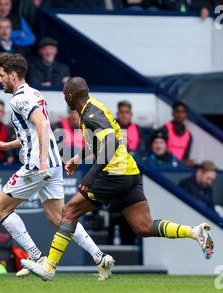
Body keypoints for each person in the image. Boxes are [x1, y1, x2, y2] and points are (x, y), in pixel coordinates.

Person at [21, 77, 214, 281]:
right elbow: (103, 141)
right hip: (129, 171)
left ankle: (49, 267)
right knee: (144, 226)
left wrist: (90, 175)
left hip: (113, 173)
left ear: (70, 96)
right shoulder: (95, 107)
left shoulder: (90, 115)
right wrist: (78, 157)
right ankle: (195, 233)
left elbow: (110, 144)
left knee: (69, 212)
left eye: (64, 95)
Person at [0, 54, 113, 280]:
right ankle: (99, 256)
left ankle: (37, 258)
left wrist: (42, 162)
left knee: (0, 209)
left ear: (13, 75)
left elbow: (43, 125)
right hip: (53, 164)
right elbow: (33, 131)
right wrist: (9, 145)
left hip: (39, 165)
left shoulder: (18, 99)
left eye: (2, 76)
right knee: (60, 218)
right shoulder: (35, 93)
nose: (0, 81)